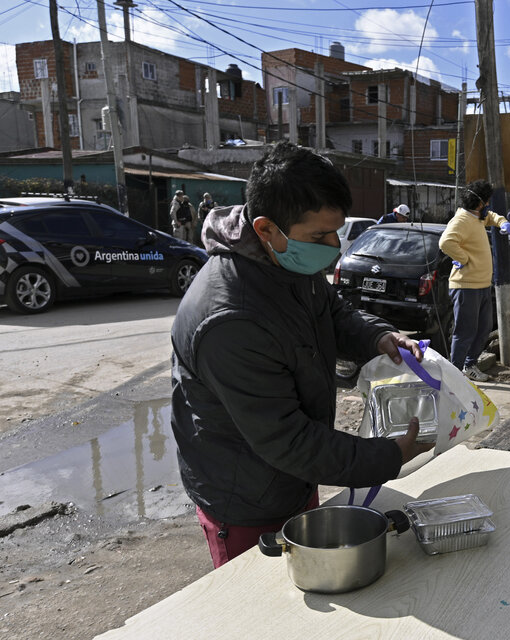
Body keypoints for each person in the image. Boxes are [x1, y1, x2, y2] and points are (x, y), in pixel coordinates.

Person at [170, 142, 434, 568]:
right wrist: (388, 455)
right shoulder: (229, 320)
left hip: (290, 474)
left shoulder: (287, 265)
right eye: (320, 237)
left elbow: (331, 310)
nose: (333, 246)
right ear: (266, 228)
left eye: (337, 232)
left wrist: (377, 336)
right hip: (244, 499)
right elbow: (286, 439)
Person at [438, 180, 510, 382]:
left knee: (483, 328)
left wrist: (502, 222)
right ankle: (454, 376)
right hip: (466, 286)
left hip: (481, 285)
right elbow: (445, 242)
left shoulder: (478, 217)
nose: (489, 205)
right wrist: (463, 258)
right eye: (487, 201)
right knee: (464, 332)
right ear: (480, 202)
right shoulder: (462, 220)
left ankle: (469, 365)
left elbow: (491, 217)